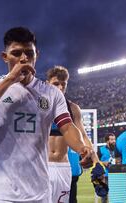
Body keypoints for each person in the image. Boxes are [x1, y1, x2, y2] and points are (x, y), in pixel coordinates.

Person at [0, 27, 92, 202]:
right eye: (16, 53)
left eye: (29, 53)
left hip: (39, 191)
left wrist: (82, 148)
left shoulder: (51, 93)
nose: (23, 58)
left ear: (36, 54)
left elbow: (67, 127)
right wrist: (9, 80)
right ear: (4, 57)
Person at [46, 66, 98, 203]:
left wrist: (95, 160)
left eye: (63, 84)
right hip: (42, 166)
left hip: (63, 165)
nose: (60, 87)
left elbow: (83, 136)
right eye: (56, 84)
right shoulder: (38, 106)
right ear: (47, 84)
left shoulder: (72, 108)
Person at [97, 133, 116, 203]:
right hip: (105, 176)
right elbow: (96, 161)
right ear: (107, 141)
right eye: (112, 139)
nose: (114, 141)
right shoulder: (101, 149)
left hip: (116, 175)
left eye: (114, 139)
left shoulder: (118, 149)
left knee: (116, 195)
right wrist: (103, 162)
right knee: (104, 196)